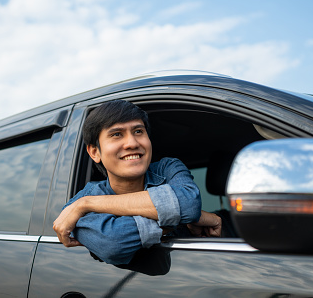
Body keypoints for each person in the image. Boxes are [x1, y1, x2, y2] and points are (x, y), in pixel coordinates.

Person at [53, 100, 221, 265]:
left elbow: (189, 204)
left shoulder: (167, 168)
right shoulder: (75, 206)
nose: (132, 143)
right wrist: (180, 220)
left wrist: (89, 204)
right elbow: (114, 243)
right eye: (117, 134)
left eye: (138, 131)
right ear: (95, 152)